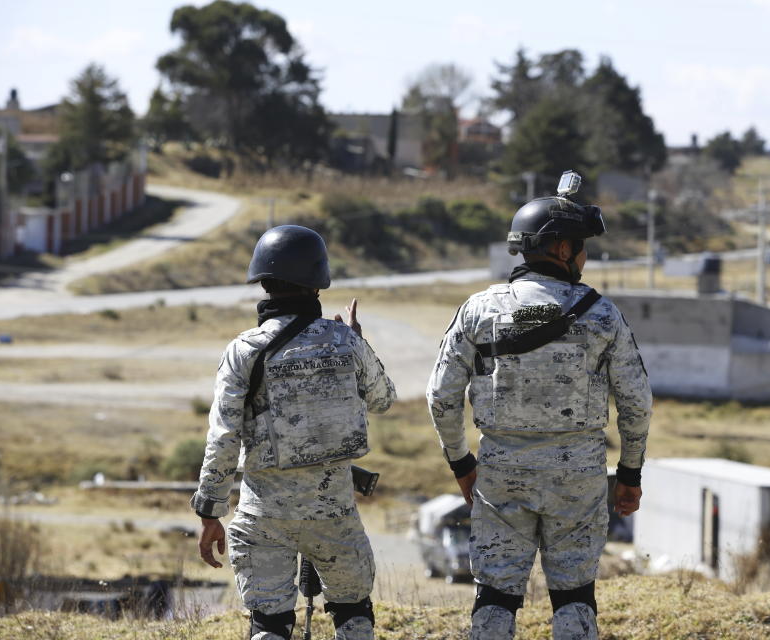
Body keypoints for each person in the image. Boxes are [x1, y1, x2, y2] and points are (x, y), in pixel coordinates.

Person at [426, 171, 652, 640]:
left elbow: (441, 397)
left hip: (500, 472)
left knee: (495, 597)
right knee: (573, 597)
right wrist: (629, 474)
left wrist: (462, 464)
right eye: (582, 246)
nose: (585, 257)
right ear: (563, 250)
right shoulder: (603, 314)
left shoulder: (478, 310)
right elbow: (636, 402)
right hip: (579, 476)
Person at [192, 225, 396, 640]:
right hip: (334, 513)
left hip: (262, 513)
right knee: (354, 617)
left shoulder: (244, 350)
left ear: (263, 282)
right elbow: (384, 398)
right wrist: (358, 342)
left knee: (268, 625)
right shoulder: (345, 342)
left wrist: (210, 512)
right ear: (318, 281)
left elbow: (224, 437)